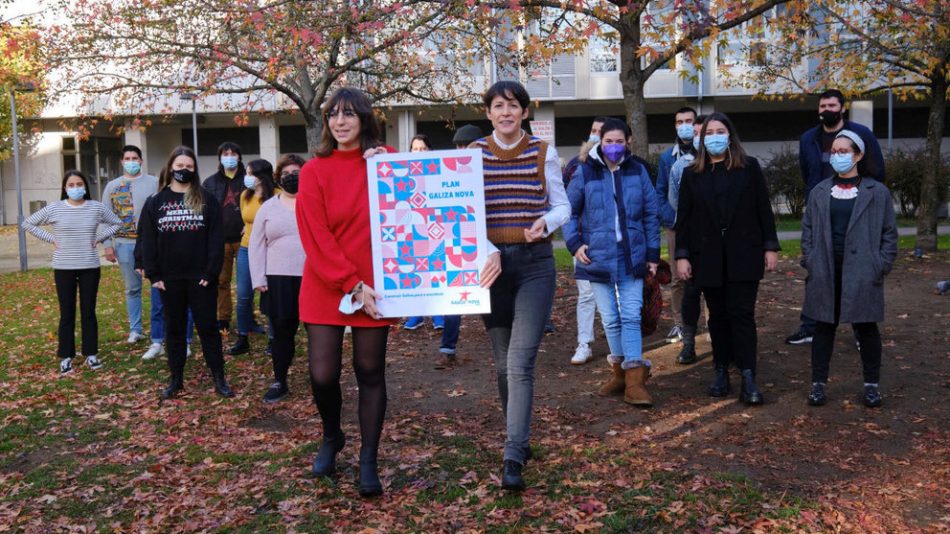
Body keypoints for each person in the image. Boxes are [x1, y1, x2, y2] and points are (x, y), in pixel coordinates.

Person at [296, 87, 396, 498]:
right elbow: (314, 234)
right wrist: (350, 284)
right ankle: (332, 435)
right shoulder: (313, 170)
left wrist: (388, 165)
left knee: (370, 370)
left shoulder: (384, 161)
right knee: (322, 374)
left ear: (365, 119)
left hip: (377, 285)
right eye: (334, 114)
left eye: (349, 114)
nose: (340, 122)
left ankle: (368, 458)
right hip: (328, 281)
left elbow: (416, 197)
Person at [471, 80, 570, 491]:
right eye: (498, 106)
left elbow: (563, 204)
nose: (506, 112)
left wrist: (545, 222)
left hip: (535, 267)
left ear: (525, 112)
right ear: (489, 113)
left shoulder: (543, 154)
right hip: (491, 269)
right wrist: (487, 247)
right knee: (501, 364)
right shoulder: (473, 154)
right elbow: (462, 210)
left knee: (520, 362)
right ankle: (520, 437)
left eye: (513, 105)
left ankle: (513, 452)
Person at [674, 112, 780, 406]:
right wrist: (681, 256)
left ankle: (748, 374)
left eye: (720, 131)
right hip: (706, 256)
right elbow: (684, 220)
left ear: (730, 135)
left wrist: (770, 247)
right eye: (709, 132)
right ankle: (721, 370)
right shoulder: (692, 174)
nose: (715, 137)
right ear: (702, 138)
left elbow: (763, 210)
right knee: (717, 317)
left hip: (743, 253)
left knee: (742, 315)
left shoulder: (749, 168)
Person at [563, 118, 661, 406]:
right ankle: (620, 375)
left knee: (631, 314)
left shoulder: (638, 170)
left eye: (619, 141)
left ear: (628, 142)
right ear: (599, 142)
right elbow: (569, 211)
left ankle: (634, 380)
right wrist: (574, 244)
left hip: (632, 255)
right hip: (597, 256)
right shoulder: (585, 171)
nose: (614, 147)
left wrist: (653, 255)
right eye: (609, 141)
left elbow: (651, 214)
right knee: (610, 318)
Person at [801, 130, 897, 407]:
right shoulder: (820, 191)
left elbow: (889, 233)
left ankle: (871, 385)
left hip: (864, 269)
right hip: (826, 268)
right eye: (834, 151)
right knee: (823, 326)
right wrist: (810, 258)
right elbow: (807, 229)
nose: (837, 156)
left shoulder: (877, 192)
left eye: (844, 151)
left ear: (859, 155)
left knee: (866, 327)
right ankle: (818, 384)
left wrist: (881, 264)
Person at [786, 89, 885, 345]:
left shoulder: (861, 135)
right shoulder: (809, 138)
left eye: (831, 105)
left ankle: (861, 330)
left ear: (842, 108)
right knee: (817, 271)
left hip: (854, 211)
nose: (826, 110)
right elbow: (806, 172)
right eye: (822, 105)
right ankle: (810, 326)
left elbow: (877, 168)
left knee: (856, 270)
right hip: (820, 210)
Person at [139, 146, 233, 399]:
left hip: (201, 279)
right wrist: (154, 275)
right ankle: (176, 379)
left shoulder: (206, 199)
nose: (184, 170)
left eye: (189, 167)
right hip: (169, 281)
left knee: (208, 329)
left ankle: (219, 378)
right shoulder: (155, 202)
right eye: (179, 166)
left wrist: (211, 271)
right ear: (171, 167)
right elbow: (148, 240)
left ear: (195, 170)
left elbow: (216, 239)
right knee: (175, 331)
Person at [23, 171, 121, 374]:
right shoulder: (55, 208)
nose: (76, 187)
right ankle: (66, 356)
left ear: (85, 186)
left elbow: (117, 222)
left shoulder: (96, 207)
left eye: (79, 183)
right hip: (64, 267)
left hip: (89, 267)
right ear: (65, 188)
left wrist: (100, 238)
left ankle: (91, 354)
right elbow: (28, 223)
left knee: (89, 312)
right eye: (71, 184)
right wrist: (51, 239)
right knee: (66, 314)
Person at [103, 145, 194, 359]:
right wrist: (108, 243)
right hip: (125, 243)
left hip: (157, 245)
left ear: (141, 161)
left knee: (162, 293)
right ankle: (137, 330)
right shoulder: (113, 186)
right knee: (132, 289)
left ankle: (179, 338)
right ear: (122, 161)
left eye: (135, 158)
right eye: (127, 158)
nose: (131, 161)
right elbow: (105, 216)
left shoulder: (154, 183)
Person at [249, 154, 306, 403]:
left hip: (312, 279)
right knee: (282, 333)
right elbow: (256, 244)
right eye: (286, 174)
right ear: (278, 178)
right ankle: (280, 380)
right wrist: (258, 277)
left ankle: (322, 379)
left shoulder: (314, 202)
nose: (291, 177)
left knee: (318, 333)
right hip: (278, 279)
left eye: (296, 173)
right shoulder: (268, 207)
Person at [433, 125, 486, 369]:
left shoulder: (493, 171)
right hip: (458, 243)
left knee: (494, 297)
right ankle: (448, 349)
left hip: (490, 245)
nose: (462, 150)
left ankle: (503, 345)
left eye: (467, 145)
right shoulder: (449, 171)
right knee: (454, 298)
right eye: (459, 146)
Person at [562, 117, 608, 365]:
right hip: (583, 242)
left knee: (616, 296)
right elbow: (567, 205)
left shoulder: (622, 165)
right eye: (593, 131)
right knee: (587, 294)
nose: (596, 136)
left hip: (613, 243)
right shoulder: (574, 166)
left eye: (602, 132)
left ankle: (617, 343)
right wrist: (574, 241)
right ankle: (585, 342)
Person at [667, 115, 708, 365]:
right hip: (693, 239)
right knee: (690, 292)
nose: (703, 138)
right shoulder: (680, 166)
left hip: (722, 242)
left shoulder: (736, 165)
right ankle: (689, 342)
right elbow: (676, 203)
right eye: (699, 133)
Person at [656, 108, 698, 343]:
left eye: (689, 121)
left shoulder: (705, 151)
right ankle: (679, 324)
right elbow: (660, 193)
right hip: (675, 225)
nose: (684, 125)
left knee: (706, 274)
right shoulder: (666, 158)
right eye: (680, 121)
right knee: (677, 277)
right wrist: (670, 220)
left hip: (703, 226)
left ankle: (712, 323)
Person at [228, 158, 277, 356]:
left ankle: (274, 339)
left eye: (250, 174)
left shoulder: (277, 196)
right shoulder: (245, 195)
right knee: (243, 295)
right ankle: (242, 337)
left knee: (271, 295)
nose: (246, 177)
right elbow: (246, 221)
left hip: (271, 251)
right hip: (247, 249)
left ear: (261, 176)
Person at [402, 134, 446, 332]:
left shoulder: (440, 170)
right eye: (415, 148)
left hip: (435, 227)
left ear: (430, 150)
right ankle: (416, 315)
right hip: (411, 228)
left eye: (422, 148)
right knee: (415, 270)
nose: (418, 152)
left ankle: (439, 314)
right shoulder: (401, 172)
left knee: (435, 269)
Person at [203, 142, 247, 334]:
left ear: (239, 156)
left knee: (247, 282)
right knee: (221, 281)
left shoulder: (249, 179)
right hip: (220, 240)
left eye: (233, 153)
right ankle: (223, 318)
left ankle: (247, 318)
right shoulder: (210, 182)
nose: (229, 156)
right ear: (219, 157)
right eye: (225, 153)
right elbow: (204, 210)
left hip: (244, 239)